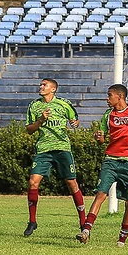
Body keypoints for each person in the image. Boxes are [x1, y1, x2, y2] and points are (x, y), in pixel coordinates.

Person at [76, 84, 128, 247]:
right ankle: (86, 231)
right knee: (101, 194)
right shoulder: (108, 115)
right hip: (111, 161)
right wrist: (98, 137)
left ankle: (122, 238)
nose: (107, 99)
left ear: (119, 97)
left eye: (109, 95)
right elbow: (102, 140)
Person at [23, 78, 86, 237]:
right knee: (33, 182)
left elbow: (75, 120)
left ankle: (83, 223)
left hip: (62, 149)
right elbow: (29, 129)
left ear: (53, 89)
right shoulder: (34, 106)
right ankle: (32, 221)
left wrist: (75, 123)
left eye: (45, 85)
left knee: (72, 184)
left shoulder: (64, 104)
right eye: (41, 84)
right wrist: (41, 120)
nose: (41, 87)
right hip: (43, 150)